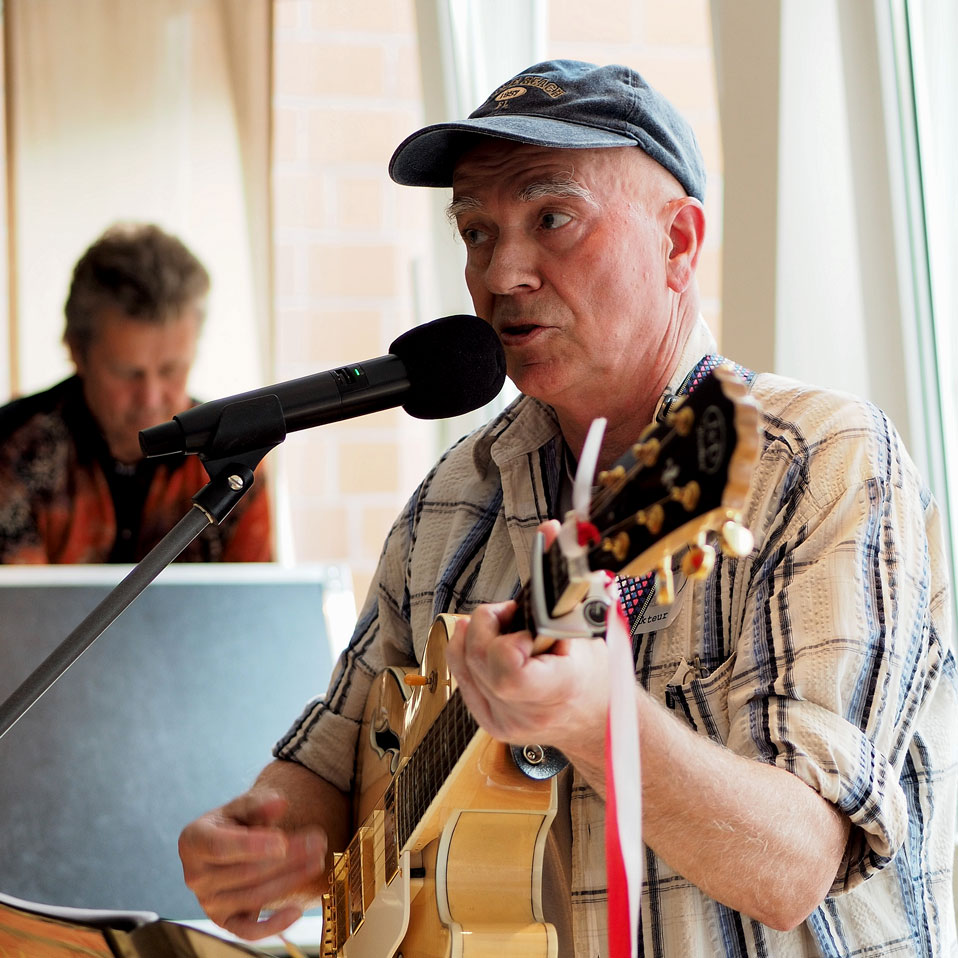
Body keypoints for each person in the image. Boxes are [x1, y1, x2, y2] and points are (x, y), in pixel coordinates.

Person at [177, 61, 957, 956]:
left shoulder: (815, 460)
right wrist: (268, 840)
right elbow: (326, 766)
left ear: (679, 244)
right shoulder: (450, 501)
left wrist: (596, 720)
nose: (502, 272)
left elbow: (793, 866)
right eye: (475, 230)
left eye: (552, 219)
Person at [0, 222, 271, 564]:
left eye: (171, 370)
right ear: (76, 352)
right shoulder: (11, 451)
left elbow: (258, 608)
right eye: (128, 373)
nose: (152, 397)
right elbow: (21, 613)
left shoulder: (234, 463)